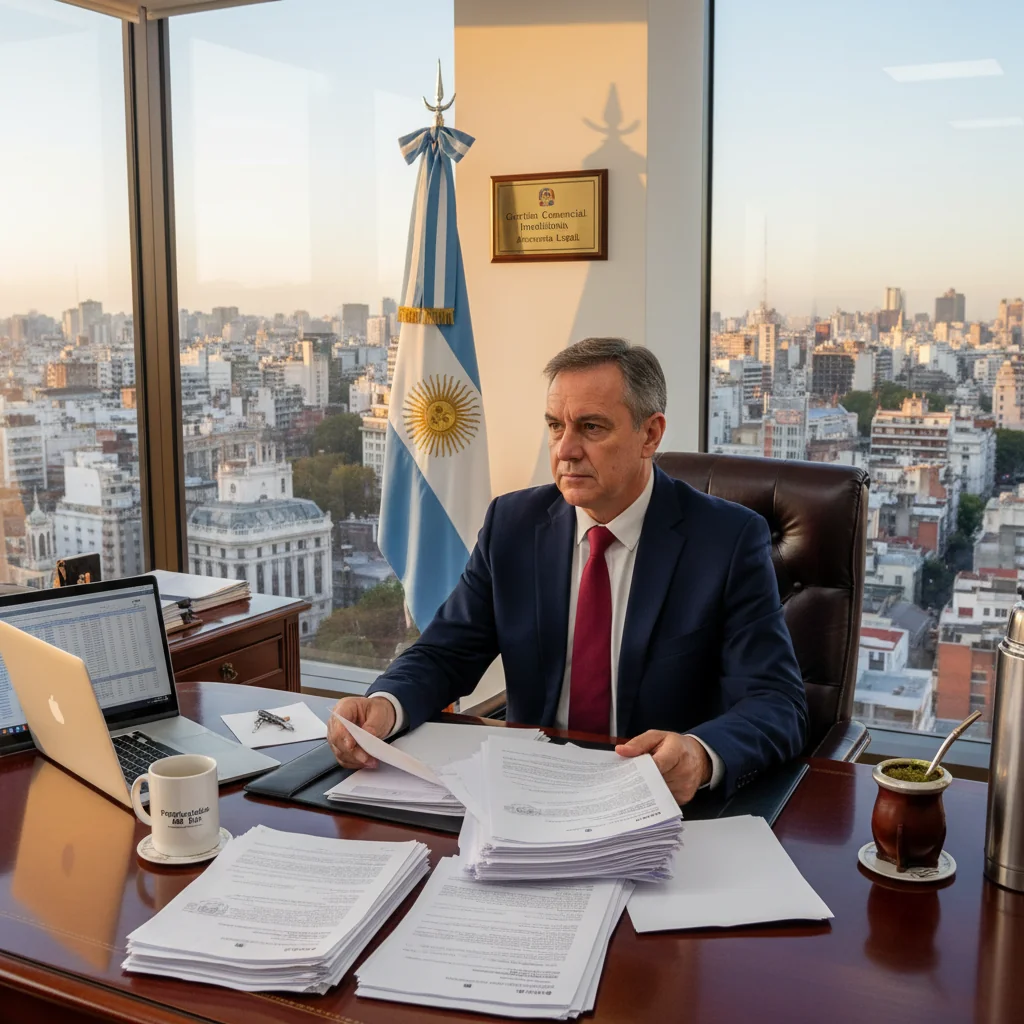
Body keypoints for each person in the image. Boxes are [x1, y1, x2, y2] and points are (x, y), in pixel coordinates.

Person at [328, 338, 807, 803]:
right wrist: (384, 706)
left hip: (657, 802)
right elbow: (445, 653)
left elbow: (775, 701)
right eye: (556, 426)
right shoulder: (512, 525)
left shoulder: (726, 540)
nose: (565, 450)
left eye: (592, 428)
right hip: (531, 792)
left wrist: (701, 757)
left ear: (650, 434)